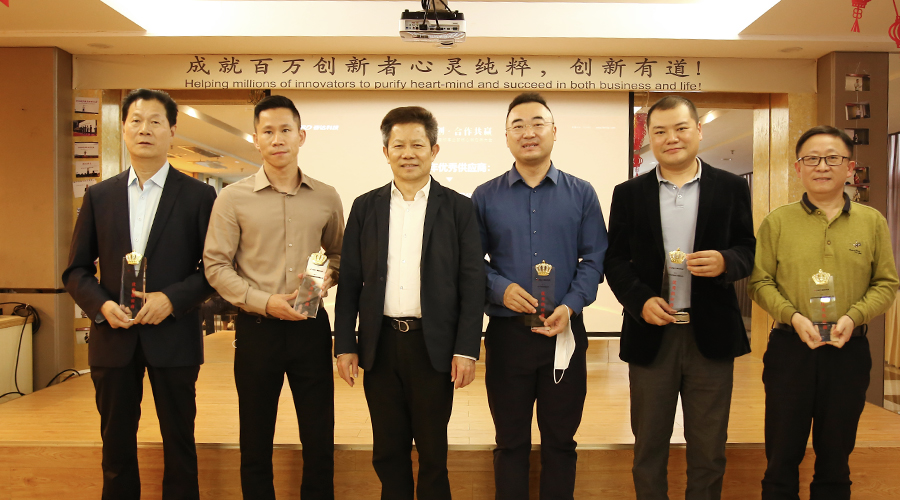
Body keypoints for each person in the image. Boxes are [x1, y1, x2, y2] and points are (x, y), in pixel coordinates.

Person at [62, 88, 217, 500]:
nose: (144, 129)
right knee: (115, 448)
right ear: (124, 128)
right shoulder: (99, 196)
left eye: (155, 121)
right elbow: (76, 270)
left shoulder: (199, 196)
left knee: (179, 444)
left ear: (172, 131)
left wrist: (172, 299)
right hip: (114, 338)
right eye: (136, 120)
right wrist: (101, 305)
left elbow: (213, 270)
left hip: (174, 338)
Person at [604, 95, 755, 499]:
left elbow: (747, 248)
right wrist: (640, 301)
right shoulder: (629, 193)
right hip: (652, 333)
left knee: (709, 446)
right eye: (660, 131)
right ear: (649, 139)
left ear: (698, 130)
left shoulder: (730, 187)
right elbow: (615, 259)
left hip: (711, 334)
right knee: (648, 445)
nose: (671, 138)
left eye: (681, 128)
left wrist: (725, 261)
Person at [334, 106, 485, 499]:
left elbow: (472, 283)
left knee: (433, 451)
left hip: (433, 348)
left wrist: (467, 350)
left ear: (434, 150)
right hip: (380, 345)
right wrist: (345, 344)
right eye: (398, 145)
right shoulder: (365, 207)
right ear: (385, 152)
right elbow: (349, 282)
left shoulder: (458, 208)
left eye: (417, 145)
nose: (408, 153)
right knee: (388, 450)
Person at [204, 95, 344, 499]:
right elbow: (216, 266)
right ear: (256, 139)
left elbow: (339, 255)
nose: (277, 138)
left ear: (301, 136)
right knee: (255, 437)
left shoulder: (326, 196)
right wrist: (265, 302)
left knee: (319, 434)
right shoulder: (232, 198)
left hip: (310, 327)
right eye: (268, 131)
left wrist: (326, 279)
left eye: (286, 130)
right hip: (257, 329)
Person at [748, 126, 898, 500]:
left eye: (833, 158)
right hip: (790, 349)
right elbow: (760, 282)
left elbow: (886, 283)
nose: (822, 166)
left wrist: (854, 316)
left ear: (850, 168)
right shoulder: (778, 221)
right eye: (812, 158)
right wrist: (793, 317)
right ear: (798, 168)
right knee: (781, 456)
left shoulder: (872, 221)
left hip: (848, 351)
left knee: (835, 459)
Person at [472, 92, 607, 499]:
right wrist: (500, 288)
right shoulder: (484, 196)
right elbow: (471, 263)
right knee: (510, 441)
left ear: (554, 131)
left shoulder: (582, 193)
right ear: (506, 136)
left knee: (561, 441)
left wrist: (571, 305)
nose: (528, 132)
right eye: (518, 125)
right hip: (507, 335)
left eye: (537, 123)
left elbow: (594, 258)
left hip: (564, 333)